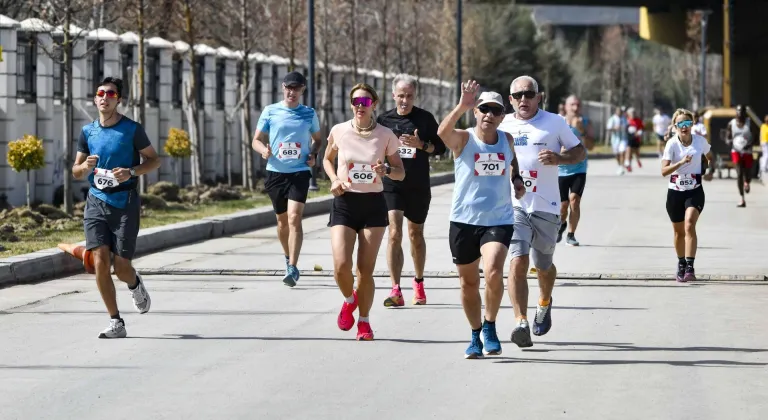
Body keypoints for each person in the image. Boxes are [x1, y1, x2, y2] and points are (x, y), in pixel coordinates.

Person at [437, 81, 525, 359]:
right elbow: (442, 133)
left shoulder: (507, 139)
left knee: (494, 271)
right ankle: (475, 334)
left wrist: (517, 178)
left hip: (498, 219)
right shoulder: (463, 139)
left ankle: (490, 325)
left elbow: (512, 162)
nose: (489, 115)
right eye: (484, 109)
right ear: (476, 112)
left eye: (495, 111)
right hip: (464, 220)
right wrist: (462, 105)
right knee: (468, 283)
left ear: (502, 116)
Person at [499, 75, 585, 348]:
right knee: (517, 261)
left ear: (539, 96)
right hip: (514, 206)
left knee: (543, 266)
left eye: (529, 94)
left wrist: (561, 158)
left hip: (546, 205)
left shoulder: (555, 123)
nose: (523, 99)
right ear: (510, 99)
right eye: (518, 95)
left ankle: (544, 302)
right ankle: (520, 321)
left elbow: (580, 152)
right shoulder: (502, 124)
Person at [72, 77, 160, 338]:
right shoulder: (88, 132)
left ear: (118, 99)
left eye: (110, 94)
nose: (104, 97)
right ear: (95, 98)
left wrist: (131, 171)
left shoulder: (132, 129)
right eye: (100, 93)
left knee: (121, 267)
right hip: (96, 201)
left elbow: (154, 160)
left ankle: (134, 283)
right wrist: (85, 167)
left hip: (125, 202)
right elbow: (76, 171)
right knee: (100, 261)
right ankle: (116, 322)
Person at [322, 83, 405, 341]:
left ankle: (365, 322)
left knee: (364, 270)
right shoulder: (339, 131)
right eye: (356, 101)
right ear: (351, 104)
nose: (360, 105)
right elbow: (326, 159)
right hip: (345, 202)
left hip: (373, 204)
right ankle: (350, 299)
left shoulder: (385, 134)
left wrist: (387, 171)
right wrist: (334, 179)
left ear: (374, 104)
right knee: (340, 266)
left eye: (366, 101)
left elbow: (400, 172)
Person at [375, 74, 446, 307]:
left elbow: (440, 148)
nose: (405, 100)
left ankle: (418, 282)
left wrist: (421, 145)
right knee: (394, 233)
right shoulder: (383, 120)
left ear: (415, 96)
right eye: (401, 96)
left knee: (415, 235)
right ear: (393, 95)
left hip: (418, 186)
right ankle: (395, 289)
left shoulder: (425, 119)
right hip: (392, 184)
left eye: (409, 96)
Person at [252, 71, 322, 287]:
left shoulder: (309, 114)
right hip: (276, 172)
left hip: (299, 172)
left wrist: (313, 154)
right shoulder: (270, 111)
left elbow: (318, 139)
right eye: (289, 88)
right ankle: (287, 256)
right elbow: (256, 140)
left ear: (303, 90)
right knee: (282, 222)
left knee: (294, 218)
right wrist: (263, 150)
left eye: (297, 88)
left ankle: (292, 267)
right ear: (283, 88)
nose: (292, 92)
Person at [661, 109, 714, 282]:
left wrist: (709, 169)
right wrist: (681, 163)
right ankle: (681, 263)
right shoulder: (671, 144)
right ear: (675, 127)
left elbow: (710, 156)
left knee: (689, 225)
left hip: (695, 190)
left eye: (687, 123)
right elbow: (663, 171)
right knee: (678, 233)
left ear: (692, 124)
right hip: (675, 192)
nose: (684, 127)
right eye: (680, 124)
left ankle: (690, 266)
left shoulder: (700, 141)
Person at [557, 94, 593, 246]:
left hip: (579, 167)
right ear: (566, 106)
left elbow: (591, 146)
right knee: (562, 205)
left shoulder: (585, 122)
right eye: (572, 105)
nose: (575, 108)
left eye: (578, 105)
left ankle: (571, 234)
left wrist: (582, 131)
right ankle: (561, 224)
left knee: (574, 201)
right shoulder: (557, 122)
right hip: (560, 169)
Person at [725, 105, 754, 207]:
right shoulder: (731, 124)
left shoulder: (749, 123)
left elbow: (756, 137)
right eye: (738, 111)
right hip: (736, 150)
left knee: (748, 173)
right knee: (739, 174)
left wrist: (749, 145)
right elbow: (727, 137)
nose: (740, 114)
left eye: (741, 112)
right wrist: (729, 142)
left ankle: (747, 182)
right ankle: (742, 199)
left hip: (747, 151)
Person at [606, 107, 628, 175]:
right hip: (615, 139)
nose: (620, 112)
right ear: (616, 112)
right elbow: (608, 128)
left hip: (623, 139)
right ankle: (619, 165)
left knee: (622, 152)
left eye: (621, 111)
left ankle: (621, 167)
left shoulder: (624, 118)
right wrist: (614, 128)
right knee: (617, 154)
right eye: (618, 111)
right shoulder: (612, 118)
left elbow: (627, 126)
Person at [625, 107, 644, 171]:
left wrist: (639, 133)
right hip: (629, 138)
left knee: (636, 152)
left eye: (634, 113)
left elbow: (641, 128)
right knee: (629, 151)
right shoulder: (627, 120)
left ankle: (638, 160)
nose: (633, 114)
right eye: (631, 113)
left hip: (636, 139)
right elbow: (626, 129)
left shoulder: (638, 120)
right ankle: (628, 164)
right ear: (628, 114)